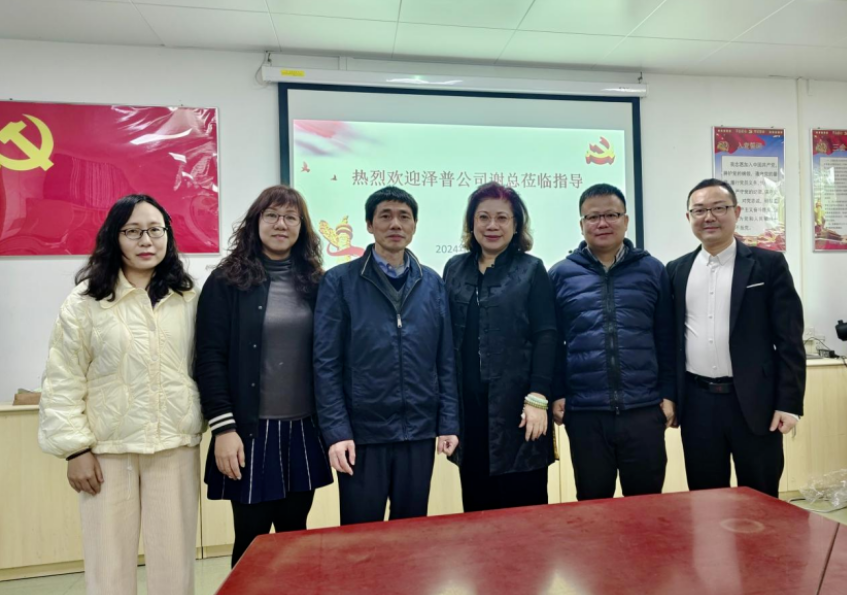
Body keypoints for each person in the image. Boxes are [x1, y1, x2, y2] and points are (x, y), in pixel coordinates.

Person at [39, 194, 201, 595]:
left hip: (174, 445)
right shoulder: (86, 301)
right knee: (108, 565)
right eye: (133, 231)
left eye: (155, 230)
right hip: (107, 452)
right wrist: (74, 450)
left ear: (168, 235)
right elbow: (62, 378)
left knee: (175, 565)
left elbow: (206, 366)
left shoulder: (188, 297)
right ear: (115, 237)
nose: (146, 240)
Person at [194, 185, 333, 567]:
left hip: (302, 431)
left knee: (295, 537)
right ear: (255, 223)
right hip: (248, 433)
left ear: (302, 227)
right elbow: (209, 358)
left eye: (290, 217)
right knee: (251, 539)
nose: (280, 224)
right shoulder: (226, 282)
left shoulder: (316, 283)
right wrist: (223, 429)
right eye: (271, 215)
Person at [313, 185, 460, 525]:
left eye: (404, 217)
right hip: (363, 434)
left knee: (411, 534)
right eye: (385, 216)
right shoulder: (339, 282)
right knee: (361, 537)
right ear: (369, 224)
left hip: (418, 432)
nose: (395, 224)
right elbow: (325, 364)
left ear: (414, 225)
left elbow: (445, 360)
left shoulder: (432, 284)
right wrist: (337, 432)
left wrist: (449, 422)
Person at [666, 178, 805, 498]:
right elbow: (671, 340)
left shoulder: (767, 265)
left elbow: (789, 339)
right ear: (688, 217)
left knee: (760, 499)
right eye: (699, 210)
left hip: (756, 402)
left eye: (719, 208)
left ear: (736, 212)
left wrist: (789, 403)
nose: (709, 217)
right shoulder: (676, 271)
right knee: (705, 498)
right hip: (698, 404)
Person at [549, 183, 675, 501]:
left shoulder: (652, 270)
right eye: (593, 217)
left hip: (643, 410)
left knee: (646, 506)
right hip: (585, 413)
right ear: (581, 224)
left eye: (611, 215)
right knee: (593, 507)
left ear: (626, 220)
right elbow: (552, 342)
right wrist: (557, 393)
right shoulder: (561, 274)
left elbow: (666, 337)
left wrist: (669, 394)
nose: (602, 223)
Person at [442, 182, 557, 512]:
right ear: (472, 222)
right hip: (470, 412)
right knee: (477, 510)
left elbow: (547, 335)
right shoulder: (454, 269)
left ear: (516, 224)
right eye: (483, 217)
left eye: (502, 218)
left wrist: (538, 398)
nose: (492, 225)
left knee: (524, 511)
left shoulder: (531, 269)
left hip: (520, 409)